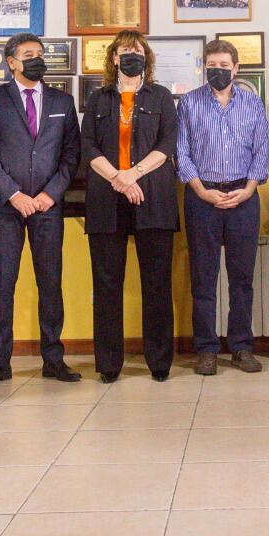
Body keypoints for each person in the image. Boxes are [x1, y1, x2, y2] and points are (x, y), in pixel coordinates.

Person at [0, 32, 82, 387]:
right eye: (28, 54)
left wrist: (50, 194)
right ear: (11, 62)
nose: (37, 58)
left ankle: (54, 360)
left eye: (40, 53)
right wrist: (14, 194)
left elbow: (71, 155)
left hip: (48, 206)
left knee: (50, 283)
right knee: (3, 283)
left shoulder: (63, 101)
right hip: (6, 207)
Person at [81, 31, 179, 382]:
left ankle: (159, 361)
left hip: (154, 198)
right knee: (107, 284)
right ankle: (108, 364)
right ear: (114, 59)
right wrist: (118, 179)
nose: (131, 55)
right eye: (125, 51)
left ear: (146, 58)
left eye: (137, 51)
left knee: (156, 283)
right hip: (107, 201)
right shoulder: (98, 100)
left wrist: (133, 175)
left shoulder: (162, 97)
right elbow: (88, 146)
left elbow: (168, 143)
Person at [177, 39, 269, 375]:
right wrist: (202, 191)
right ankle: (206, 349)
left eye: (223, 64)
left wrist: (247, 190)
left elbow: (261, 150)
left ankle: (242, 347)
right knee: (203, 278)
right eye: (211, 64)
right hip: (203, 200)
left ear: (236, 68)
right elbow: (182, 153)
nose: (217, 69)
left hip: (244, 199)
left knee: (242, 279)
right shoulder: (189, 103)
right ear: (205, 67)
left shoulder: (252, 104)